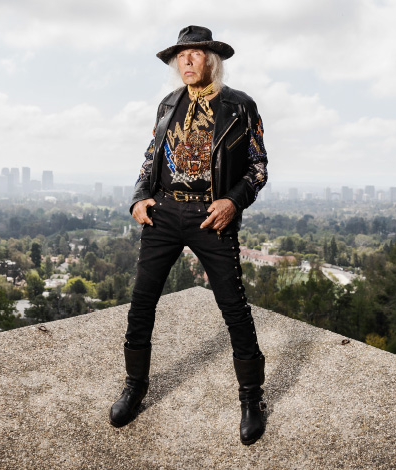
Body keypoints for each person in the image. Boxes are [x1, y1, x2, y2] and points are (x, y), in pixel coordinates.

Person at [109, 25, 269, 446]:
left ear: (211, 60)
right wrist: (139, 198)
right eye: (181, 55)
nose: (187, 61)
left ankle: (252, 398)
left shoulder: (239, 106)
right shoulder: (167, 104)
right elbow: (150, 159)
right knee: (141, 303)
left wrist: (233, 202)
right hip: (163, 212)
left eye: (195, 54)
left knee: (234, 308)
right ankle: (134, 386)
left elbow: (258, 167)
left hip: (210, 216)